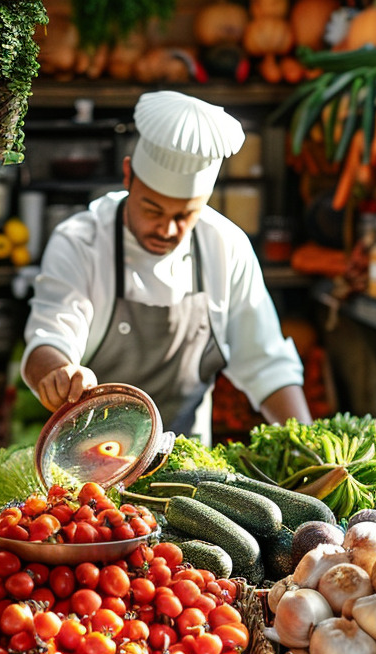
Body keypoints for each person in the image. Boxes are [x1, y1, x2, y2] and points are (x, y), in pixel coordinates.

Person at [20, 90, 312, 443]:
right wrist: (58, 372)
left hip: (190, 470)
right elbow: (49, 337)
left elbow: (266, 364)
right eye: (152, 210)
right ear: (128, 176)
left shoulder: (225, 246)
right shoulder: (80, 241)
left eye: (185, 215)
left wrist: (308, 443)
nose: (167, 229)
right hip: (88, 472)